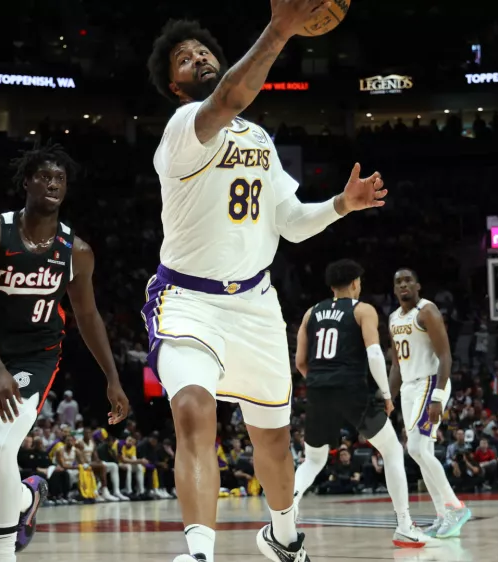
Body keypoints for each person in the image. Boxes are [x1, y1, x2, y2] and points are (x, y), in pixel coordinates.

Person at [144, 4, 386, 560]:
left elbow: (291, 224)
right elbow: (229, 96)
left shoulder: (257, 136)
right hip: (187, 302)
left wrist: (340, 206)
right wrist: (281, 28)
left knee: (274, 443)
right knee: (193, 410)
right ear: (176, 87)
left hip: (255, 306)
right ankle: (200, 552)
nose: (198, 57)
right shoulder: (184, 127)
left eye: (203, 51)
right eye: (185, 59)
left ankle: (284, 538)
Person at [0, 141, 130, 560]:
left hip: (37, 356)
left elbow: (88, 317)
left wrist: (112, 377)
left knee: (3, 447)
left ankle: (1, 555)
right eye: (44, 176)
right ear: (26, 182)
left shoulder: (77, 251)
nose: (53, 183)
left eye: (60, 178)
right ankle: (27, 497)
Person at [291, 259, 426, 547]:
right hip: (351, 389)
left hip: (316, 389)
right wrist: (386, 395)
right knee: (391, 450)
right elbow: (376, 355)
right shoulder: (362, 309)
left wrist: (321, 383)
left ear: (331, 287)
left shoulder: (311, 313)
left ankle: (288, 508)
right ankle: (404, 524)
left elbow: (301, 361)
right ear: (355, 283)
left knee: (313, 460)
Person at [388, 268, 472, 538]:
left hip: (430, 382)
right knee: (420, 451)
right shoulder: (392, 319)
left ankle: (455, 507)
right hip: (409, 388)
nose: (403, 285)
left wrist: (437, 396)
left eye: (408, 280)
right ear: (394, 289)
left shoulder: (427, 311)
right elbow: (396, 365)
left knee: (416, 448)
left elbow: (445, 356)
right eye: (398, 282)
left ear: (418, 286)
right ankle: (442, 514)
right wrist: (388, 397)